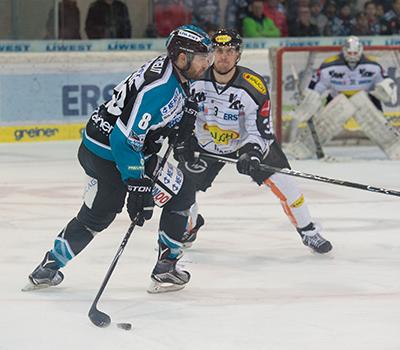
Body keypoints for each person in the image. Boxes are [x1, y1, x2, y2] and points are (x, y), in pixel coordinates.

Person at [22, 25, 214, 293]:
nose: (208, 63)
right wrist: (136, 181)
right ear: (182, 57)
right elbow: (124, 140)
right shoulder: (161, 87)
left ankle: (48, 267)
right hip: (115, 153)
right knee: (180, 195)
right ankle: (166, 269)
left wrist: (178, 125)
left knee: (99, 214)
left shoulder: (173, 72)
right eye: (203, 57)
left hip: (99, 149)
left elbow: (146, 121)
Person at [172, 29, 332, 274]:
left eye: (230, 51)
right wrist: (184, 140)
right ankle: (189, 227)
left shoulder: (253, 86)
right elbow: (183, 114)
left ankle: (309, 231)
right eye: (219, 51)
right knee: (183, 187)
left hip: (245, 145)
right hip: (207, 144)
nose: (224, 57)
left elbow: (260, 130)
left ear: (238, 54)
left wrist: (253, 154)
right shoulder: (196, 79)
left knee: (288, 185)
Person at [293, 36, 400, 160]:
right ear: (344, 51)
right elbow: (317, 86)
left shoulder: (373, 65)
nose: (352, 55)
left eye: (355, 52)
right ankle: (304, 148)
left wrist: (386, 88)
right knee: (325, 125)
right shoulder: (329, 66)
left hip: (366, 99)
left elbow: (385, 82)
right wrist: (310, 98)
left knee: (375, 123)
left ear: (360, 51)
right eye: (350, 52)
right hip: (338, 98)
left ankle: (393, 146)